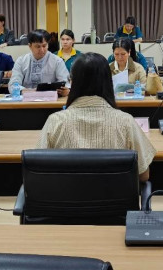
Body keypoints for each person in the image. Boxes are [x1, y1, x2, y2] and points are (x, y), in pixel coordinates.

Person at [37, 52, 156, 181]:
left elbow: (39, 170)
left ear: (72, 82)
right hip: (114, 194)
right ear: (109, 82)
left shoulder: (55, 121)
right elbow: (143, 174)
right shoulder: (126, 122)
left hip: (66, 193)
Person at [8, 30, 70, 97]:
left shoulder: (57, 61)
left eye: (44, 46)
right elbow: (13, 84)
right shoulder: (21, 61)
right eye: (38, 46)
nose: (42, 50)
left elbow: (65, 83)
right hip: (25, 99)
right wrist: (29, 92)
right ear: (30, 46)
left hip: (50, 100)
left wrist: (66, 90)